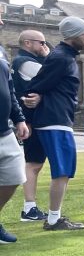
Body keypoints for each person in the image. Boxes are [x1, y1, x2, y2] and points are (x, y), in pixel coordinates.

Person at [23, 16, 84, 230]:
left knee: (65, 170)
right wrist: (38, 97)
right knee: (61, 170)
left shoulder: (64, 56)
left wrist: (43, 96)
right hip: (54, 121)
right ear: (73, 36)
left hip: (58, 119)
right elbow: (37, 85)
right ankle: (53, 219)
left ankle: (55, 217)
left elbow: (50, 87)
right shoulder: (61, 58)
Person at [10, 29, 49, 222]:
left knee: (35, 163)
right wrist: (49, 57)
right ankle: (29, 208)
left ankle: (30, 207)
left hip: (30, 119)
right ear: (27, 43)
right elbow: (50, 78)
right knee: (33, 164)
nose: (45, 46)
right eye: (41, 43)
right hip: (32, 120)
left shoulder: (22, 61)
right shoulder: (25, 62)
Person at [0, 38, 30, 244]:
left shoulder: (0, 51)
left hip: (4, 130)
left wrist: (19, 118)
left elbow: (9, 87)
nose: (1, 21)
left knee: (14, 175)